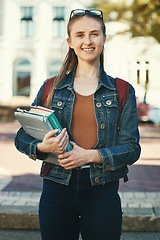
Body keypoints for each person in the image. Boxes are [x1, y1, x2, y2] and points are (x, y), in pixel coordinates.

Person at [15, 9, 141, 240]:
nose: (88, 41)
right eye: (80, 35)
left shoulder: (122, 90)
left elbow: (132, 149)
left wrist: (90, 156)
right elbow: (22, 137)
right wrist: (43, 148)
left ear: (104, 38)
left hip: (102, 188)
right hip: (56, 187)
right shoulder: (51, 87)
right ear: (70, 41)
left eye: (94, 34)